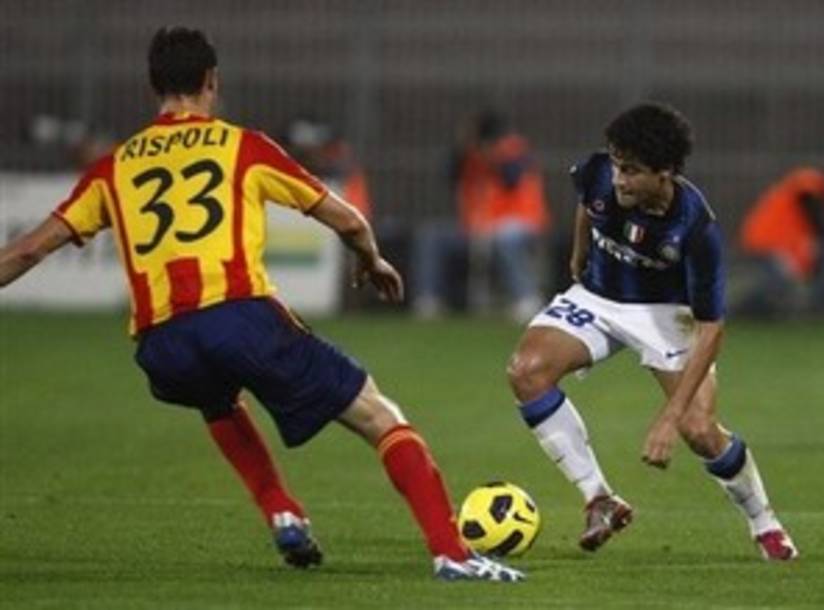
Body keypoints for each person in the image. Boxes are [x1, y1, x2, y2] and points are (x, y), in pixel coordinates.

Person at [0, 26, 523, 583]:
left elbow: (30, 249)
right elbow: (347, 219)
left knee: (217, 399)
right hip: (239, 317)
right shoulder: (241, 147)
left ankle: (282, 511)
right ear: (212, 80)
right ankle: (453, 554)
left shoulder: (115, 166)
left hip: (161, 343)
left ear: (152, 86)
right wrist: (371, 260)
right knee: (379, 416)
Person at [506, 102, 798, 561]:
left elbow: (712, 328)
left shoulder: (695, 229)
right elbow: (588, 203)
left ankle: (765, 523)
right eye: (616, 164)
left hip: (667, 313)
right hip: (600, 297)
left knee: (698, 429)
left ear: (665, 174)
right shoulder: (599, 172)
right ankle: (600, 499)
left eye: (631, 171)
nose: (618, 178)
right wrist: (579, 255)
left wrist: (669, 417)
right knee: (526, 371)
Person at [412, 110, 549, 321]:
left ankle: (527, 298)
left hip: (520, 224)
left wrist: (492, 155)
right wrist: (463, 147)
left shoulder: (514, 151)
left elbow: (511, 177)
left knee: (505, 237)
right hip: (475, 229)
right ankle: (429, 299)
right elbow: (448, 171)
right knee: (431, 236)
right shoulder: (468, 155)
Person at [735, 166, 824, 316]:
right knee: (778, 283)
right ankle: (737, 311)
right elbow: (810, 205)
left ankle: (745, 312)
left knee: (779, 284)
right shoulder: (811, 179)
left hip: (777, 244)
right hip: (768, 241)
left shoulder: (820, 190)